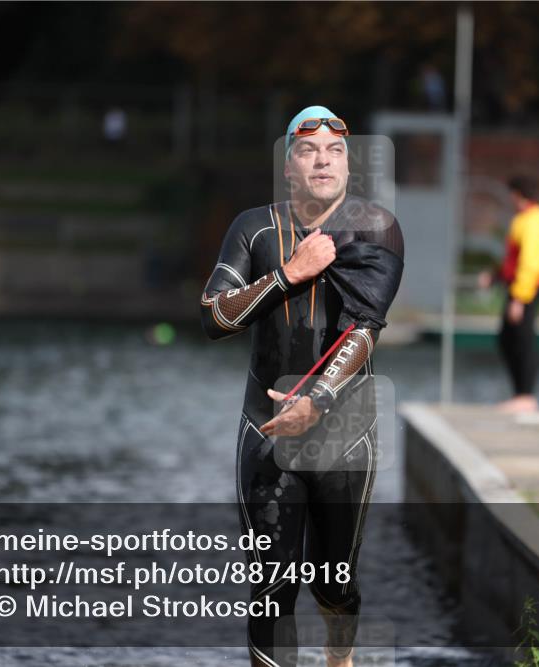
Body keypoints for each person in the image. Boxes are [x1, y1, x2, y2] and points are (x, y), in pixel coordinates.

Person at [200, 106, 404, 667]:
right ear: (288, 166)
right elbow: (215, 317)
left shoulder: (376, 229)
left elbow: (364, 332)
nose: (322, 160)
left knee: (333, 587)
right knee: (271, 589)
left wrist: (314, 401)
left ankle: (340, 655)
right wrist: (290, 273)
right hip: (265, 428)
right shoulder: (254, 228)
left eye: (334, 151)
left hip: (344, 432)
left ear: (348, 166)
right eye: (308, 150)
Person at [479, 176, 539, 414]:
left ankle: (526, 396)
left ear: (518, 194)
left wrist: (519, 298)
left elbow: (531, 263)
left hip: (527, 289)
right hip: (520, 288)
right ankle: (520, 394)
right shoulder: (524, 219)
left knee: (522, 340)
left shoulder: (534, 221)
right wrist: (496, 276)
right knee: (508, 338)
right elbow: (514, 260)